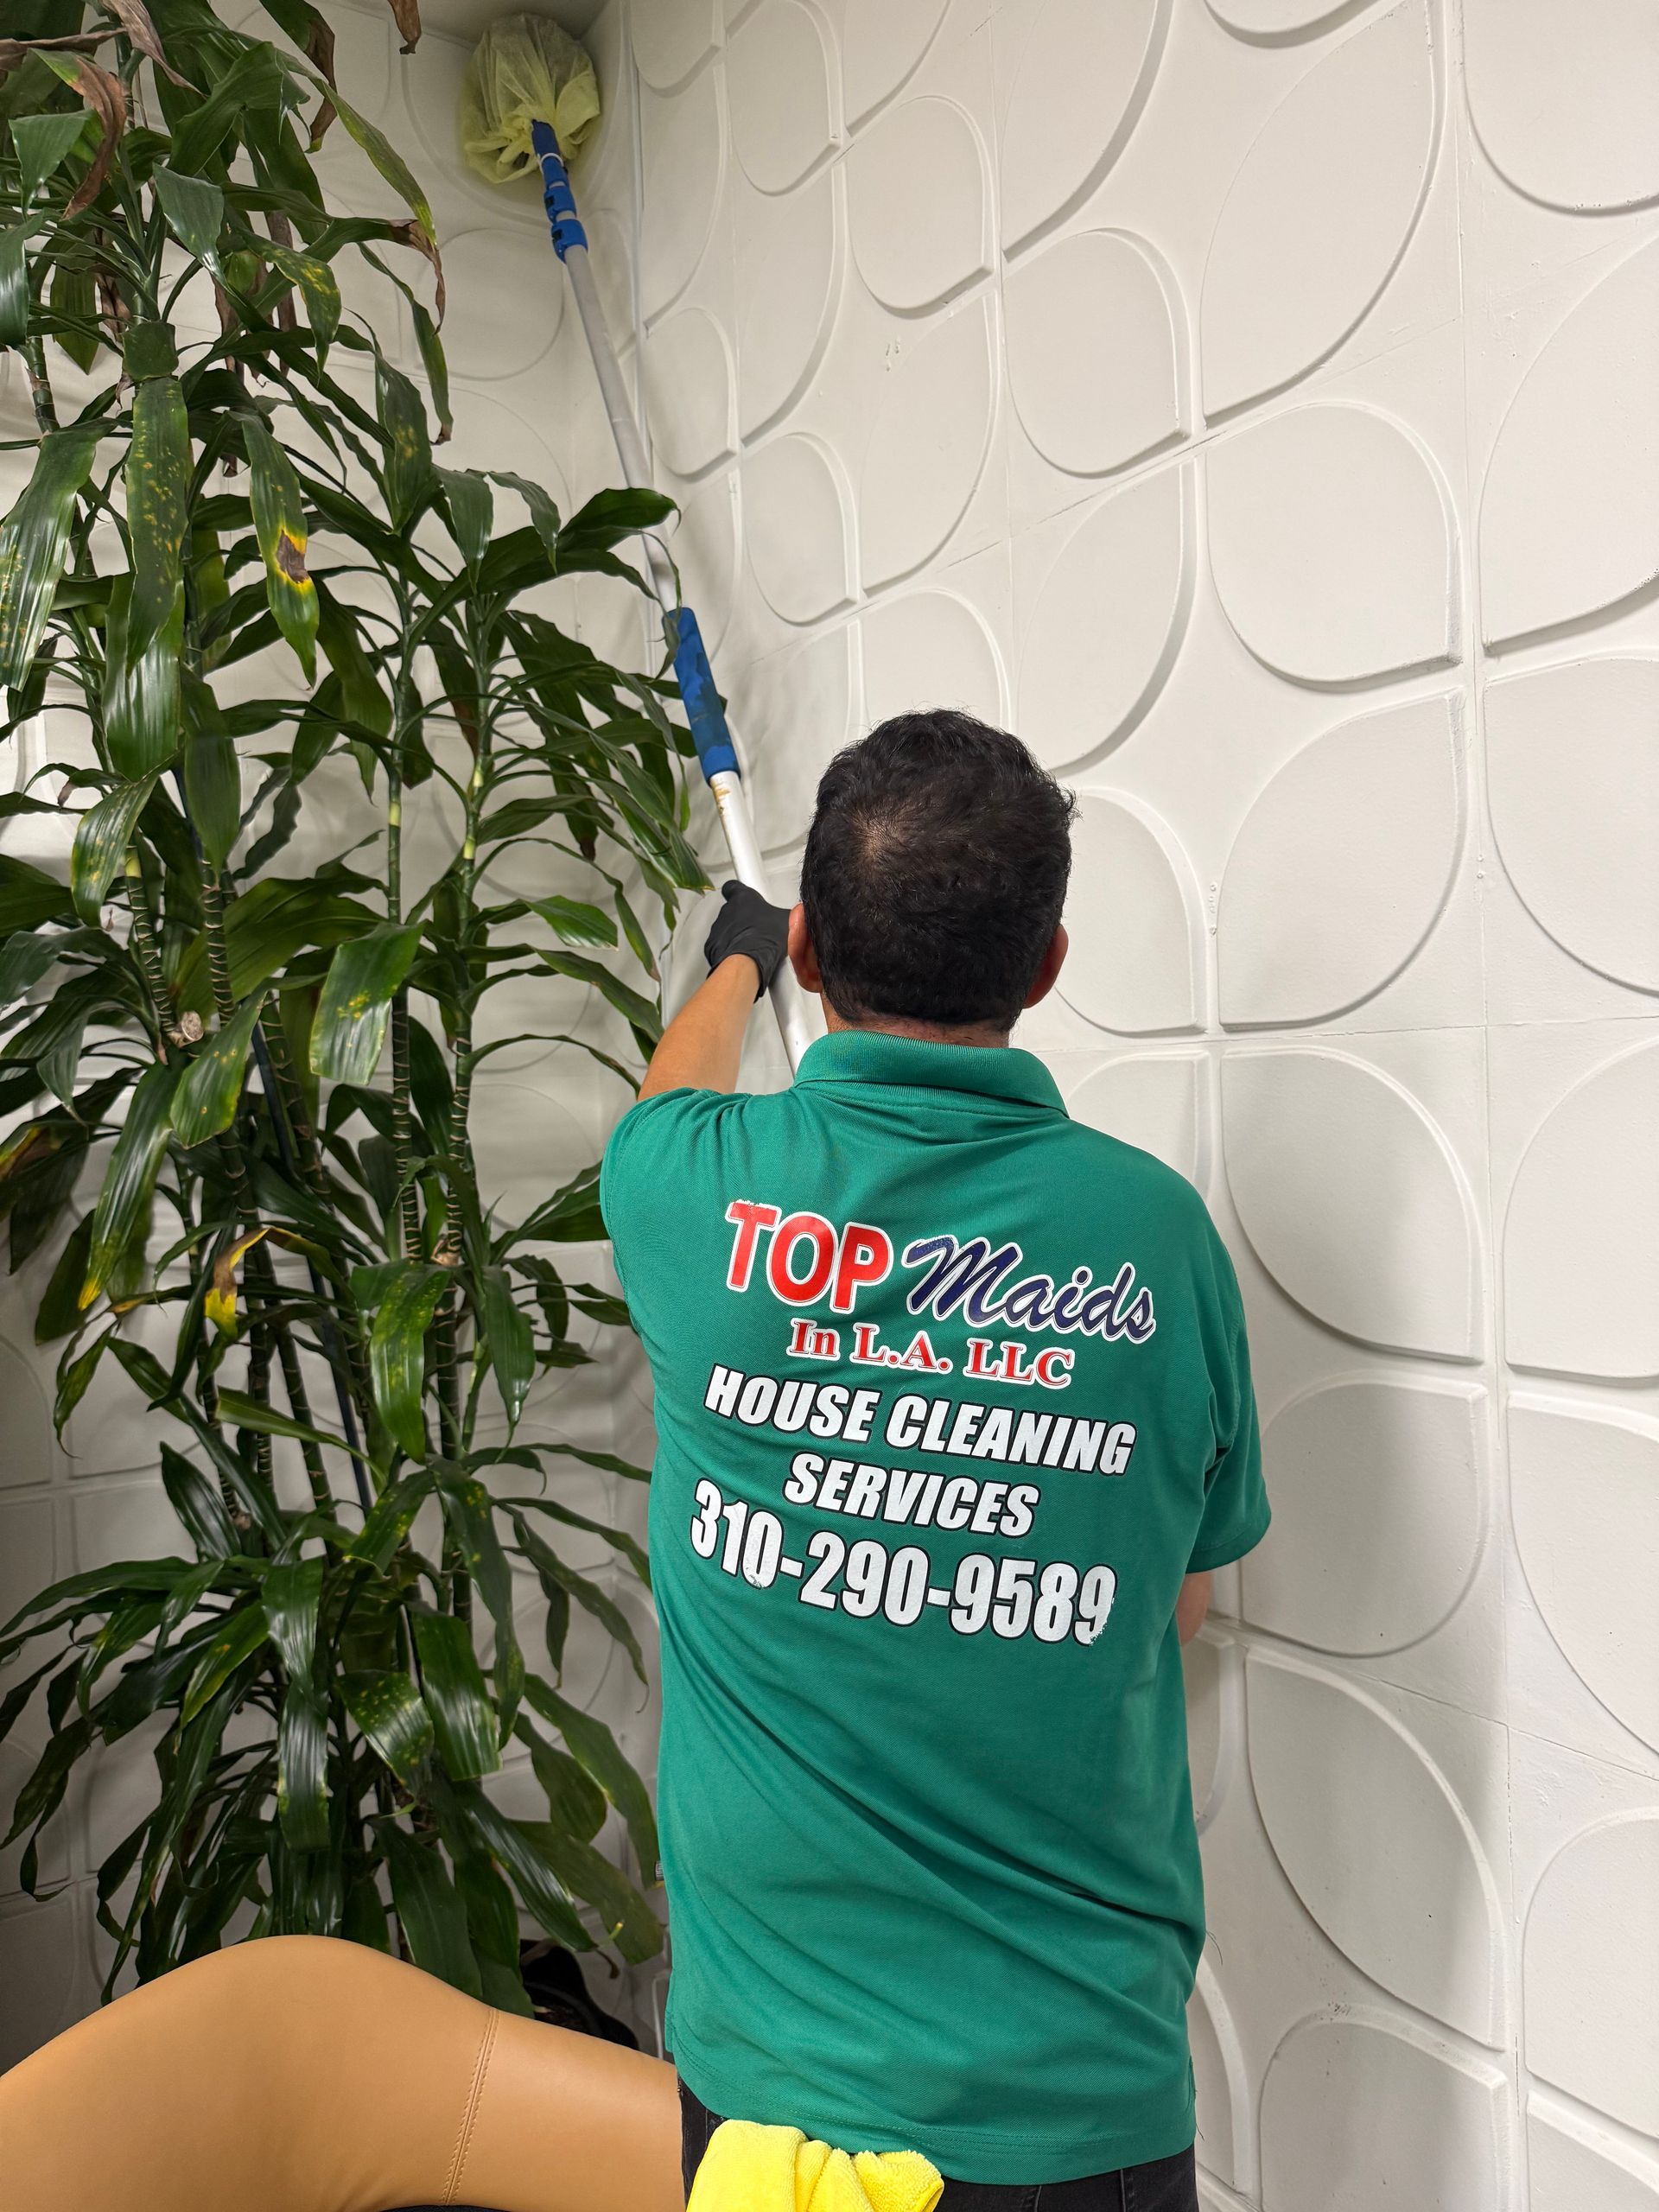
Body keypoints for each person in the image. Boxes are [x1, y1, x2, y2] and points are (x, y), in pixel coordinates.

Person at [600, 710, 1269, 2212]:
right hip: (1073, 2106)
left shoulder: (683, 1194)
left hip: (770, 2095)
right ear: (1045, 968)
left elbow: (672, 1095)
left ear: (818, 956)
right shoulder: (1158, 1238)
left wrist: (736, 957)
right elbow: (1182, 1608)